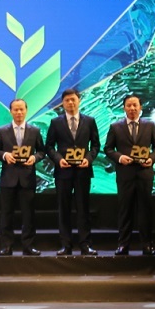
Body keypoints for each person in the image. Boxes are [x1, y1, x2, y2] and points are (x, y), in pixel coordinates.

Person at [104, 94, 155, 256]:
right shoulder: (115, 127)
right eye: (129, 105)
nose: (132, 108)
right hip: (125, 175)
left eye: (135, 105)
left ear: (140, 107)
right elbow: (108, 148)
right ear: (124, 108)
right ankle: (123, 245)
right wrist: (120, 157)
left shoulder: (149, 125)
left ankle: (147, 245)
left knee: (145, 210)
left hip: (144, 174)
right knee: (125, 211)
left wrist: (151, 159)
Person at [45, 88, 101, 256]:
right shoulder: (56, 122)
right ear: (62, 103)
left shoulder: (89, 121)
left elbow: (96, 145)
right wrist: (58, 159)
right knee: (64, 209)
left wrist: (88, 159)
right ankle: (66, 245)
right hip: (63, 172)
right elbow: (49, 146)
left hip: (83, 171)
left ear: (79, 101)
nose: (70, 102)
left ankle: (85, 244)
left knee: (83, 208)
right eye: (67, 100)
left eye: (73, 99)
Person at [0, 99, 46, 256]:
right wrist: (4, 155)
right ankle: (6, 246)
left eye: (21, 109)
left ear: (26, 110)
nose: (19, 112)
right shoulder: (2, 131)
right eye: (15, 110)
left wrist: (34, 158)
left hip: (27, 178)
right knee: (6, 213)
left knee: (28, 214)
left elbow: (42, 151)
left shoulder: (35, 131)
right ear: (10, 111)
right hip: (8, 178)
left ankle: (28, 246)